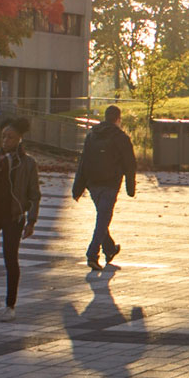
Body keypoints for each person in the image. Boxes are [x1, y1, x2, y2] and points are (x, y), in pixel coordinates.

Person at [0, 118, 39, 321]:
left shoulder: (28, 163)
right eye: (3, 136)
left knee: (10, 259)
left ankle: (10, 305)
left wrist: (31, 221)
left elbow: (34, 194)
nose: (5, 140)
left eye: (10, 137)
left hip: (14, 215)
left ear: (19, 138)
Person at [72, 105, 137, 270]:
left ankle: (109, 249)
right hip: (110, 183)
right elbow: (130, 164)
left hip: (92, 183)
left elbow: (83, 162)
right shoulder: (121, 138)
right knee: (103, 219)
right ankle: (92, 255)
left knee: (102, 217)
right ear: (118, 119)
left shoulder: (92, 135)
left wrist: (77, 187)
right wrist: (131, 188)